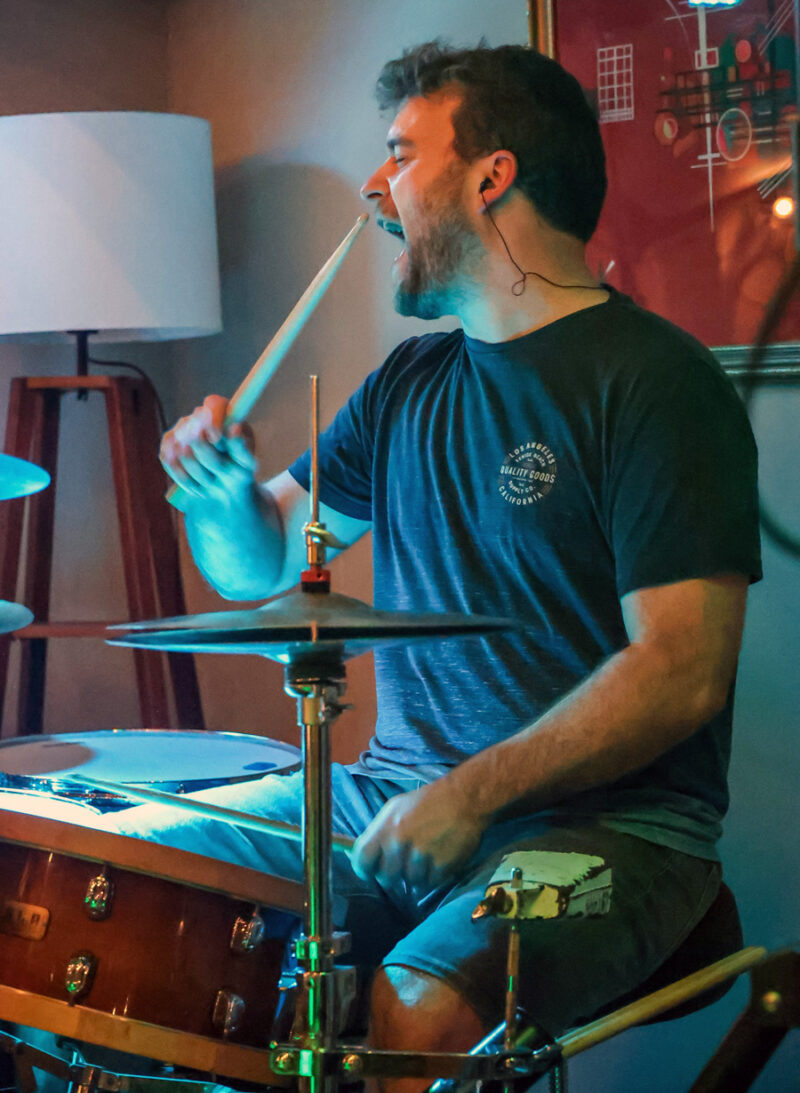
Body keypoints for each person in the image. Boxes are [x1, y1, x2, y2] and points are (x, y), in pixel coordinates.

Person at [113, 42, 760, 1084]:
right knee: (143, 866)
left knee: (413, 1014)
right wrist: (221, 499)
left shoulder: (654, 383)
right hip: (389, 793)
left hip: (610, 827)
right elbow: (260, 560)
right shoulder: (407, 382)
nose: (374, 185)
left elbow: (681, 665)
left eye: (400, 154)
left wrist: (469, 792)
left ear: (489, 174)